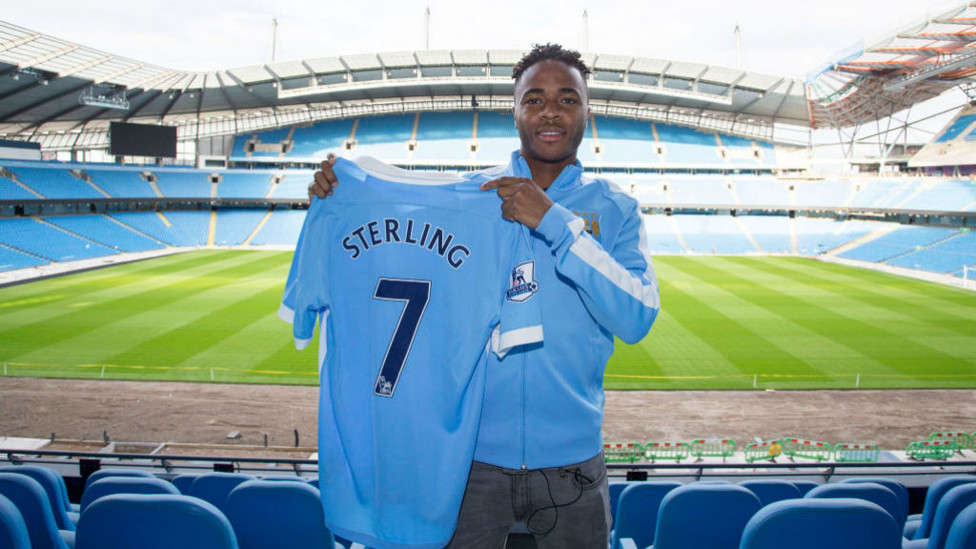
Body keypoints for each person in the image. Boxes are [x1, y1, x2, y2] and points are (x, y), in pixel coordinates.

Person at [309, 43, 660, 549]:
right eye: (534, 99)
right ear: (514, 110)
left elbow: (636, 316)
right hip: (469, 462)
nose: (550, 112)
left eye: (567, 99)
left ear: (587, 109)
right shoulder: (472, 202)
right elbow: (393, 227)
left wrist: (557, 225)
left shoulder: (617, 209)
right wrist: (338, 196)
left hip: (574, 467)